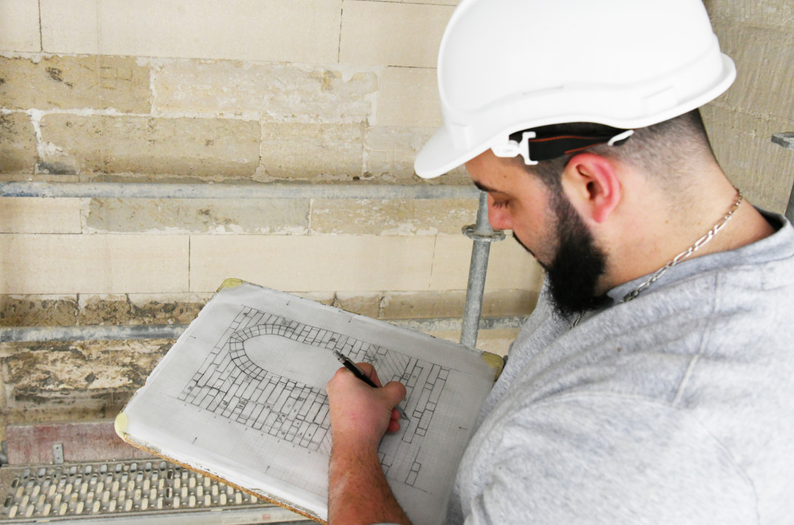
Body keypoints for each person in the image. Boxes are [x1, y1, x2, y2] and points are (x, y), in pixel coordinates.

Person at [326, 0, 794, 523]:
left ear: (593, 184)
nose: (497, 219)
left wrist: (353, 446)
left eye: (502, 196)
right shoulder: (647, 261)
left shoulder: (640, 447)